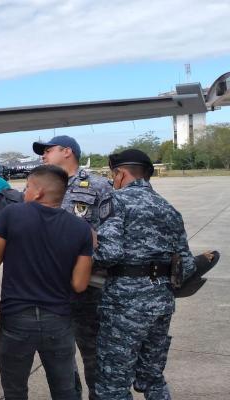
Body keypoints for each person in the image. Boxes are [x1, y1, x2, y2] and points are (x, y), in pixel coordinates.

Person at [0, 165, 93, 400]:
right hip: (58, 320)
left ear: (39, 192)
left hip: (16, 318)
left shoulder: (12, 215)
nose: (24, 192)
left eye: (28, 187)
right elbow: (80, 285)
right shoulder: (82, 229)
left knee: (15, 390)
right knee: (65, 391)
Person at [93, 149, 195, 400]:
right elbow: (187, 264)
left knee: (113, 384)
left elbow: (109, 253)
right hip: (161, 302)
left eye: (112, 173)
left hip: (125, 304)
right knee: (152, 377)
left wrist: (81, 257)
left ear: (120, 173)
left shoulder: (115, 202)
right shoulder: (168, 208)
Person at [32, 135, 112, 400]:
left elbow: (113, 231)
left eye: (48, 150)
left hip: (87, 288)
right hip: (50, 287)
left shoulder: (98, 185)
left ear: (67, 151)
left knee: (93, 353)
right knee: (58, 356)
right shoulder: (37, 187)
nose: (43, 155)